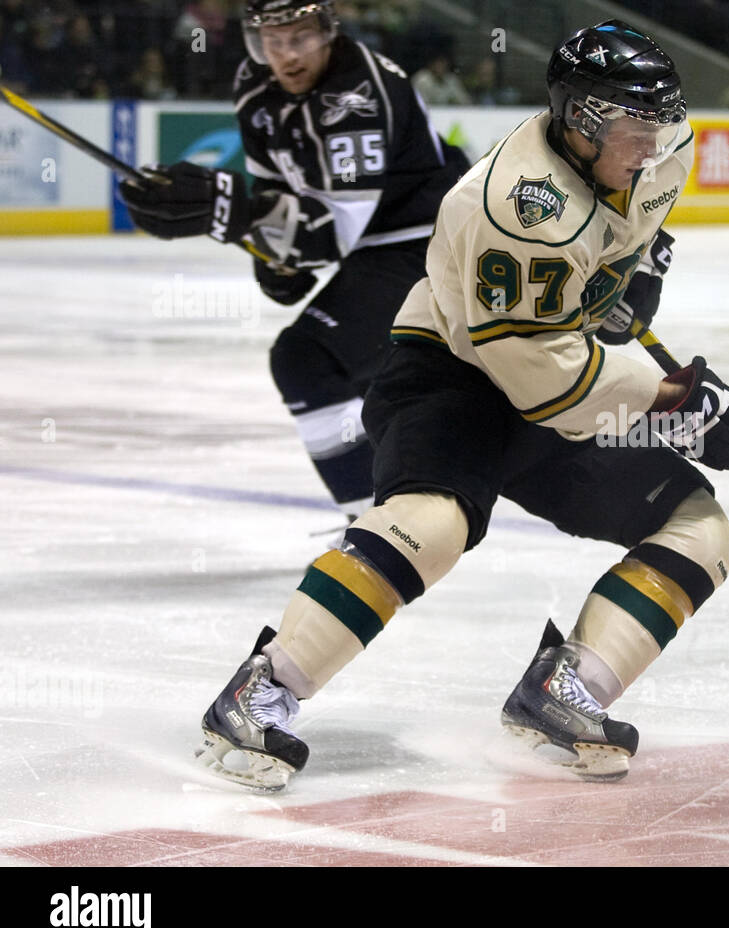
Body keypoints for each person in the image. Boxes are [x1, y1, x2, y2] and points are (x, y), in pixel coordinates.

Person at [193, 19, 729, 791]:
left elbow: (648, 225)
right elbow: (544, 382)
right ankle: (261, 690)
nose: (655, 143)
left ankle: (567, 690)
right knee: (433, 523)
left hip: (556, 371)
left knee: (699, 529)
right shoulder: (520, 209)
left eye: (662, 121)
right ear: (581, 123)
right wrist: (678, 403)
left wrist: (636, 278)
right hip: (453, 374)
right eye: (636, 126)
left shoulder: (659, 147)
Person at [120, 0, 468, 530]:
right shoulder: (254, 82)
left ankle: (383, 523)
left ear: (329, 31)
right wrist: (268, 246)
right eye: (271, 41)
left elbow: (331, 234)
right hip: (377, 240)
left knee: (308, 360)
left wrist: (229, 212)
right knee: (353, 368)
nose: (286, 54)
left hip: (427, 238)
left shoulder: (355, 96)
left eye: (300, 37)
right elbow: (280, 187)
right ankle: (391, 507)